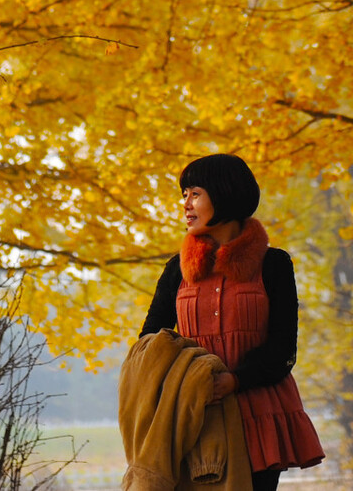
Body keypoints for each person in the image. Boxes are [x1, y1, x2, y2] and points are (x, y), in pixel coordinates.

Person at [139, 153, 324, 491]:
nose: (185, 204)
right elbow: (150, 343)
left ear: (225, 193)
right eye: (184, 194)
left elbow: (284, 348)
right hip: (198, 419)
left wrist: (235, 381)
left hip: (259, 417)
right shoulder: (175, 271)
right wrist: (186, 383)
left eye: (195, 193)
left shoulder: (274, 265)